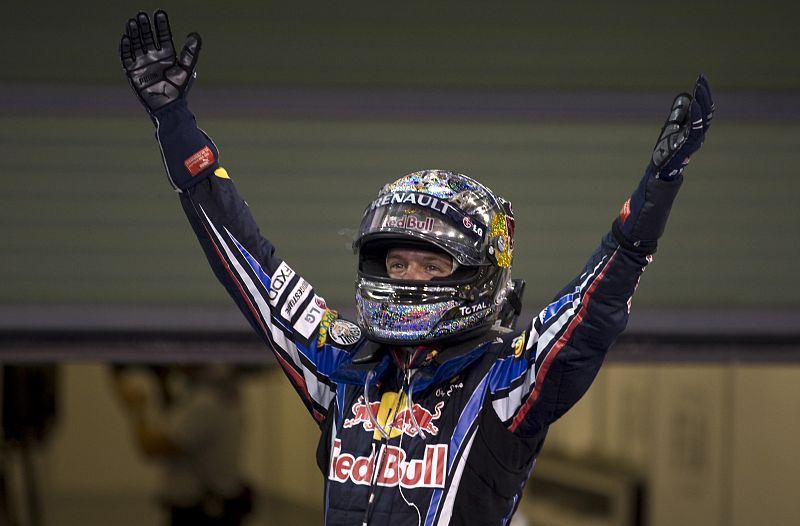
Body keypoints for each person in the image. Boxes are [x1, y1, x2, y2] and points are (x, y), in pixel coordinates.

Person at [119, 10, 714, 525]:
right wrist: (176, 126)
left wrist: (657, 190)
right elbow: (248, 263)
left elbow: (597, 302)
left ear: (479, 273)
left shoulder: (506, 381)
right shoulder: (343, 365)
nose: (407, 277)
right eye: (396, 260)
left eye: (430, 264)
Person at [111, 365, 254, 526]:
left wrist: (136, 410)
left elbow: (151, 446)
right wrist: (161, 382)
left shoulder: (205, 403)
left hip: (199, 513)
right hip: (206, 507)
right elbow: (169, 420)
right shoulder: (214, 396)